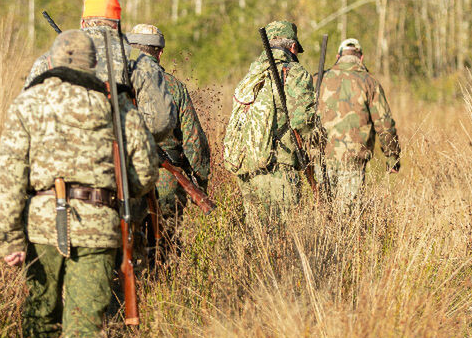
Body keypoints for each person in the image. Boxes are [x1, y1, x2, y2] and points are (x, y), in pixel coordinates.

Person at [0, 30, 160, 338]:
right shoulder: (116, 106)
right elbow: (145, 171)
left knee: (39, 314)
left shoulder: (28, 102)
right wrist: (118, 195)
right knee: (84, 326)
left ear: (52, 62)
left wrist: (7, 238)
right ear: (92, 64)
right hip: (98, 227)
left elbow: (9, 175)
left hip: (41, 226)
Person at [27, 0, 178, 144]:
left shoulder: (47, 61)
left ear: (83, 23)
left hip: (54, 163)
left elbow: (26, 117)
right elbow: (161, 123)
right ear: (116, 26)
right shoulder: (139, 62)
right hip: (115, 162)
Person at [223, 20, 318, 223]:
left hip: (246, 167)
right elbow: (304, 123)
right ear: (292, 47)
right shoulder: (294, 73)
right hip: (278, 168)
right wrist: (320, 142)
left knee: (257, 235)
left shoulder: (252, 75)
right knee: (282, 235)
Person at [127, 23, 211, 233]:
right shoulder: (173, 86)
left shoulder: (115, 82)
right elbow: (194, 141)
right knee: (165, 249)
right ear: (160, 52)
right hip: (165, 181)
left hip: (125, 178)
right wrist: (198, 182)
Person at [317, 36, 400, 214]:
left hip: (320, 159)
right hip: (353, 160)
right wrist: (392, 157)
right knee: (347, 217)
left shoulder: (319, 79)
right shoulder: (369, 82)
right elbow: (384, 123)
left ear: (338, 57)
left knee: (322, 217)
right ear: (361, 58)